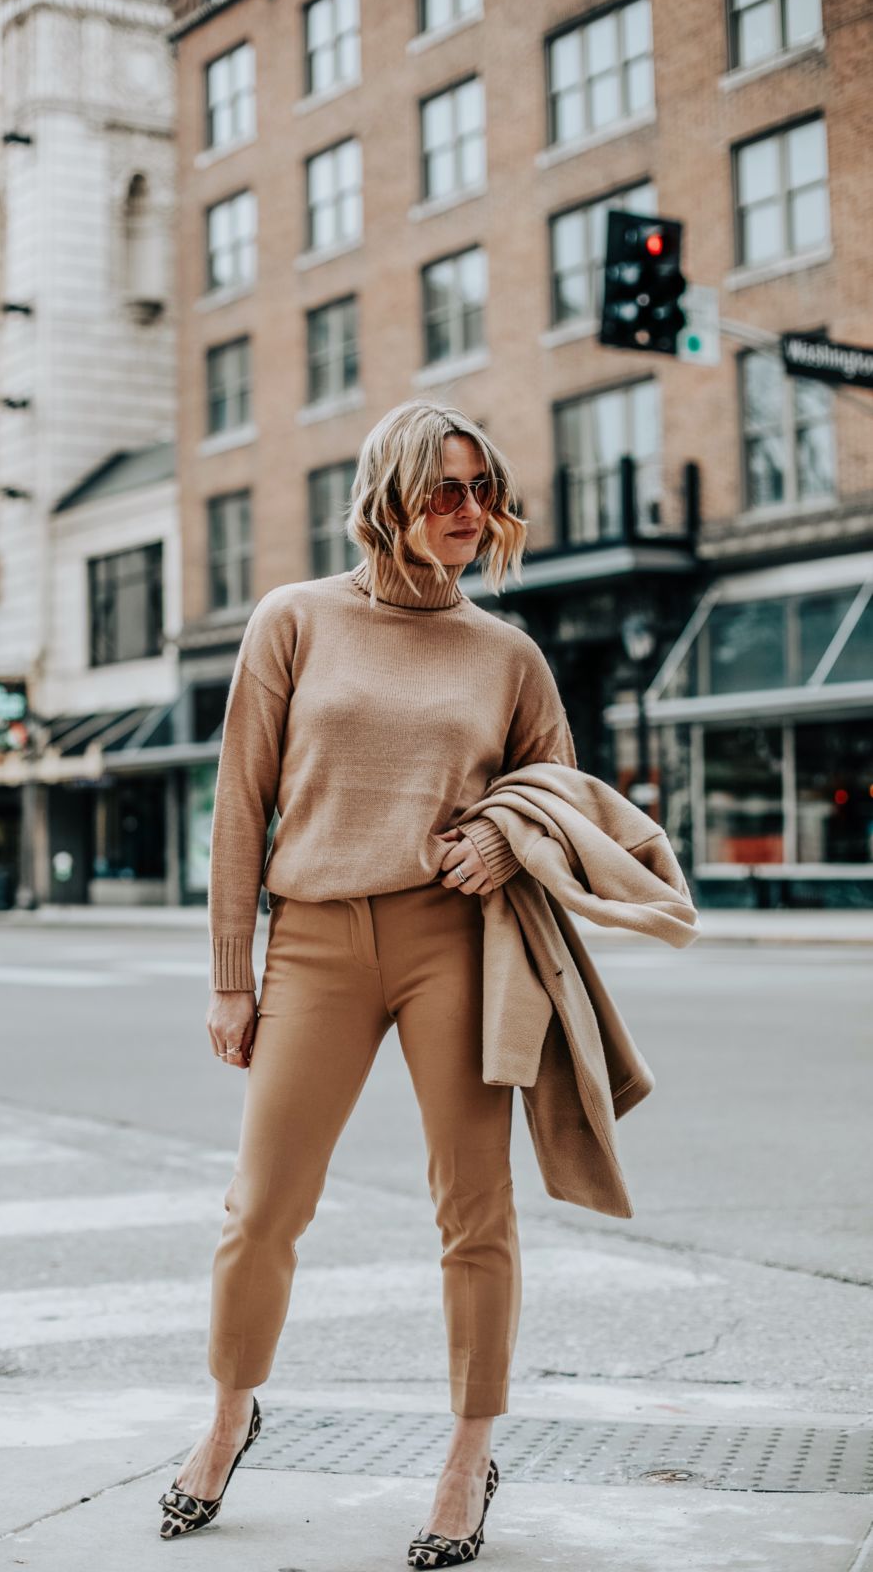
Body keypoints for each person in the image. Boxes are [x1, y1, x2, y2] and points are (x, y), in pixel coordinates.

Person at [159, 397, 578, 1565]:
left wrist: (504, 840)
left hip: (458, 938)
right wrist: (229, 975)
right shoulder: (293, 619)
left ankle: (464, 1456)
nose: (466, 511)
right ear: (387, 492)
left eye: (481, 490)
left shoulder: (507, 654)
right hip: (313, 941)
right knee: (263, 1209)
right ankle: (228, 1418)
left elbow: (560, 795)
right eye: (443, 488)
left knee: (473, 1209)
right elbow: (240, 806)